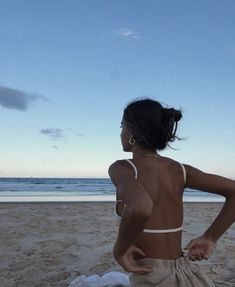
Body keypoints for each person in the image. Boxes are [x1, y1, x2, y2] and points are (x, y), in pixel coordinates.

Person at [108, 99, 235, 286]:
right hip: (186, 272)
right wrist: (210, 238)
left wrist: (119, 250)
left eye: (122, 126)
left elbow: (141, 207)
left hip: (151, 276)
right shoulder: (180, 170)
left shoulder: (122, 168)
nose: (120, 133)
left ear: (132, 131)